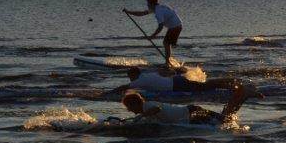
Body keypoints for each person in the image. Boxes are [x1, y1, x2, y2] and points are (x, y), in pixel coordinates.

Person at [121, 84, 256, 126]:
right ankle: (242, 95)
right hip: (192, 112)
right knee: (226, 118)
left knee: (225, 120)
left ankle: (243, 94)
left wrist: (140, 117)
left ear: (135, 104)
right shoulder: (147, 107)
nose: (129, 110)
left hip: (193, 114)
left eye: (129, 107)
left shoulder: (148, 106)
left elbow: (157, 109)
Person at [112, 66, 262, 97]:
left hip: (177, 84)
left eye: (129, 76)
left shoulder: (139, 81)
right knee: (204, 86)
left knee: (205, 87)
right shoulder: (147, 75)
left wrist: (108, 93)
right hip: (176, 80)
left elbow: (124, 87)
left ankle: (232, 84)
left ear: (134, 74)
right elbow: (162, 73)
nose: (129, 78)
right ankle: (230, 83)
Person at [123, 0, 182, 66]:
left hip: (175, 27)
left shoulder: (158, 12)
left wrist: (152, 36)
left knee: (166, 43)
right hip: (176, 26)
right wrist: (129, 12)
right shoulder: (158, 8)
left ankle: (167, 63)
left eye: (148, 4)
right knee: (167, 43)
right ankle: (169, 61)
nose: (147, 5)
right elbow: (142, 13)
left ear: (152, 4)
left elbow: (160, 27)